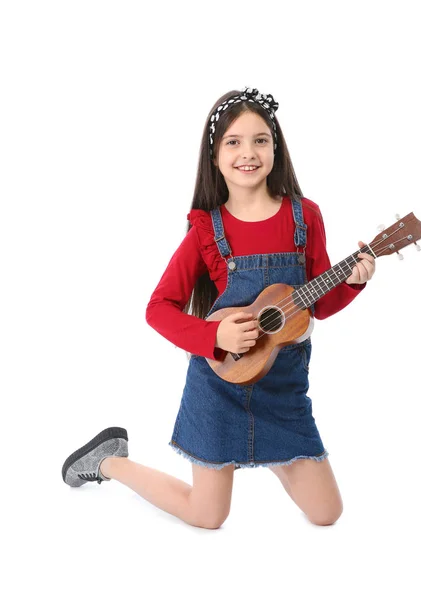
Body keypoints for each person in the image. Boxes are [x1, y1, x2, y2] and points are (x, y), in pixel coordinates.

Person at [61, 87, 375, 529]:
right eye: (234, 141)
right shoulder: (207, 230)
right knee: (207, 515)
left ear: (276, 149)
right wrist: (214, 337)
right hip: (218, 386)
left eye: (260, 140)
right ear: (215, 156)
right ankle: (111, 461)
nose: (248, 152)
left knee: (327, 513)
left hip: (283, 389)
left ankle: (270, 446)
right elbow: (158, 307)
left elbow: (316, 305)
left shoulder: (305, 217)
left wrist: (354, 283)